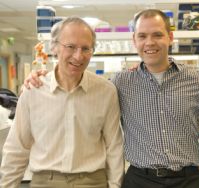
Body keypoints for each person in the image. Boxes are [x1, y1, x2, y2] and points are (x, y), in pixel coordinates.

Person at [24, 9, 199, 188]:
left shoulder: (194, 80)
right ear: (134, 40)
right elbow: (83, 86)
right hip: (140, 180)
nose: (150, 42)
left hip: (188, 181)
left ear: (170, 37)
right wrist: (44, 76)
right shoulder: (120, 83)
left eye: (157, 35)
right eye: (142, 36)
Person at [0, 17, 124, 188]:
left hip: (92, 182)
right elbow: (17, 148)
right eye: (71, 47)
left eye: (86, 48)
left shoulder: (106, 91)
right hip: (45, 182)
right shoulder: (33, 90)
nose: (78, 56)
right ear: (54, 47)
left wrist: (115, 185)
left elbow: (114, 147)